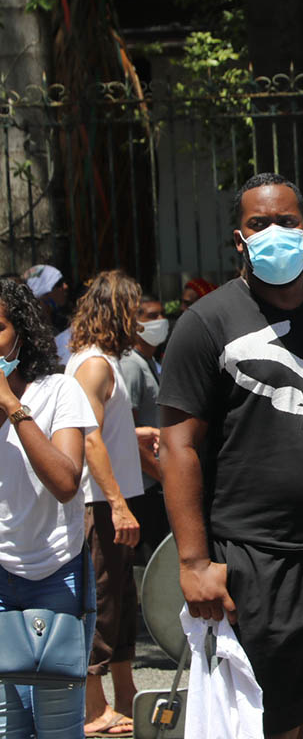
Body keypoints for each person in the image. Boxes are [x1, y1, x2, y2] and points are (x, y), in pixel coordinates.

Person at [158, 172, 303, 739]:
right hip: (253, 558)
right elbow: (178, 446)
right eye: (258, 224)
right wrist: (193, 564)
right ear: (239, 239)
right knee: (264, 721)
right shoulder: (206, 323)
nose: (274, 233)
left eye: (286, 222)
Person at [0, 278, 98, 738]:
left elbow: (64, 481)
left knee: (58, 726)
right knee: (8, 726)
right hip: (0, 576)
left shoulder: (58, 391)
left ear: (20, 332)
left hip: (56, 575)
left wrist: (11, 405)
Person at [65, 270, 145, 738]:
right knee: (101, 601)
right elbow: (87, 436)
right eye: (134, 309)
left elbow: (108, 433)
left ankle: (126, 695)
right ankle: (95, 711)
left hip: (111, 499)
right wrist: (116, 503)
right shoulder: (94, 365)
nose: (139, 320)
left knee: (121, 600)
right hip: (98, 503)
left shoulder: (100, 362)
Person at [118, 294, 170, 560]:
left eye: (162, 314)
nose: (160, 321)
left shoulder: (150, 362)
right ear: (134, 324)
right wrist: (162, 474)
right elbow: (129, 433)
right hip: (145, 485)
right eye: (151, 316)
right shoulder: (131, 366)